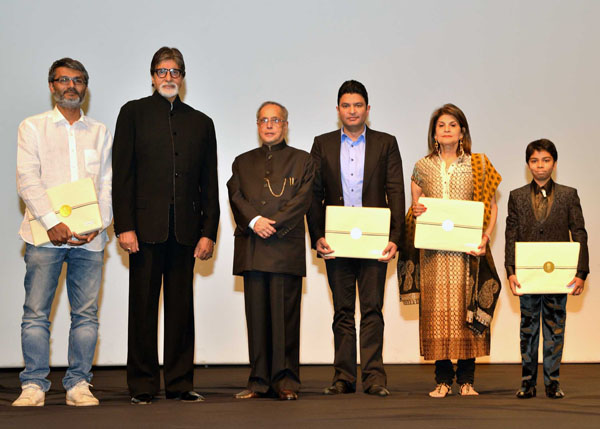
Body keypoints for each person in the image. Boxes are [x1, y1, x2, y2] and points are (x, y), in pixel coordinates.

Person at [112, 47, 220, 404]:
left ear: (183, 77)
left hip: (187, 232)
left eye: (175, 71)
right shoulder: (132, 114)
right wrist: (124, 225)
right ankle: (142, 385)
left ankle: (179, 382)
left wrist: (208, 232)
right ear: (152, 76)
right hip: (143, 230)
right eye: (162, 71)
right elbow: (122, 176)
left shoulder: (202, 122)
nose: (168, 78)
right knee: (142, 308)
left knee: (181, 310)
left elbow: (209, 182)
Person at [13, 58, 112, 407]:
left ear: (86, 86)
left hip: (90, 240)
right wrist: (52, 221)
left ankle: (78, 384)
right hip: (44, 236)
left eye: (78, 80)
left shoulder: (99, 131)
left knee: (85, 315)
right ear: (52, 85)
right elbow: (27, 178)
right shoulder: (33, 127)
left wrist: (96, 224)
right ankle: (34, 384)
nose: (71, 86)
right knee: (36, 312)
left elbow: (106, 185)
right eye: (63, 80)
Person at [307, 80, 404, 397]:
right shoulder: (321, 144)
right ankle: (344, 377)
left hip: (375, 242)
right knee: (343, 312)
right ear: (338, 110)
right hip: (337, 242)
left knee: (373, 310)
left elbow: (396, 193)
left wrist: (395, 238)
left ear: (368, 109)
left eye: (358, 105)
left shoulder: (386, 143)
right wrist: (317, 236)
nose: (352, 111)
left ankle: (375, 377)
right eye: (346, 105)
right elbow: (313, 194)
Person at [398, 103, 502, 398]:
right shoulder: (421, 166)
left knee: (465, 313)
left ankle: (467, 380)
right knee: (436, 314)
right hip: (432, 254)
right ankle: (443, 379)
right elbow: (415, 207)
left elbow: (490, 207)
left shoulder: (478, 165)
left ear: (462, 132)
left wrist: (485, 237)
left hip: (466, 254)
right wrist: (415, 210)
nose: (446, 129)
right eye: (441, 125)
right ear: (434, 133)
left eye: (452, 125)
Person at [227, 101, 314, 401]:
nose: (269, 125)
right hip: (253, 248)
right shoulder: (241, 161)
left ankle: (286, 381)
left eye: (275, 120)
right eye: (263, 120)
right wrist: (254, 221)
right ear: (257, 125)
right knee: (257, 318)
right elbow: (235, 194)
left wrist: (271, 224)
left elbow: (302, 200)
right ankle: (259, 381)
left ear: (285, 125)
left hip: (284, 249)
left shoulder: (302, 161)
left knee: (285, 320)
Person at [505, 139, 588, 399]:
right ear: (527, 164)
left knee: (555, 326)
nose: (540, 166)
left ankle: (553, 383)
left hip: (558, 274)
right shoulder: (516, 196)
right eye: (534, 161)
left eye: (545, 160)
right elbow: (511, 235)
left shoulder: (568, 194)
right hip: (528, 274)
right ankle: (527, 382)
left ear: (554, 162)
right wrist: (510, 269)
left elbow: (579, 233)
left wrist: (581, 272)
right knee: (528, 327)